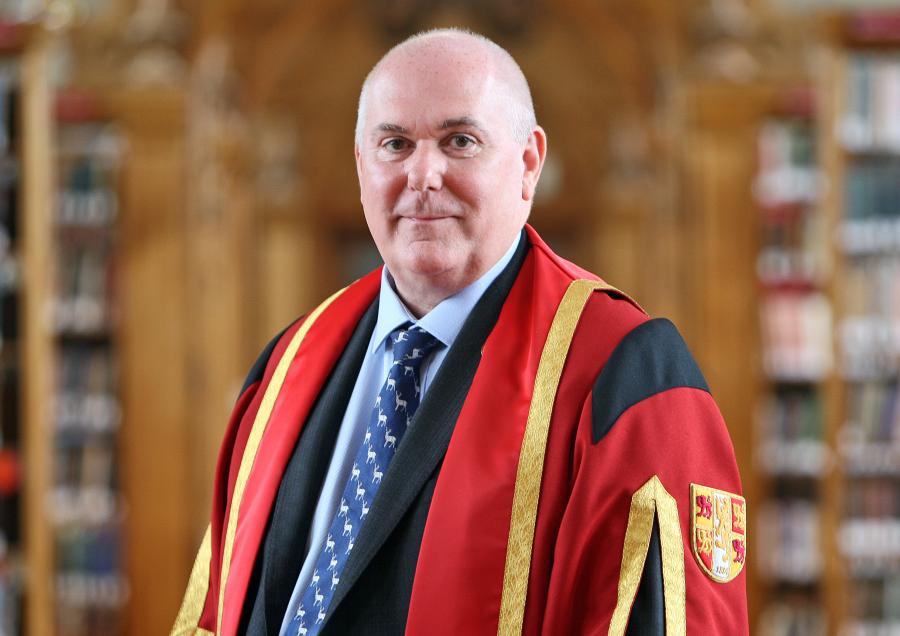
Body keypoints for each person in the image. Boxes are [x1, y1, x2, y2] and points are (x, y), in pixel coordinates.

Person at [172, 28, 747, 636]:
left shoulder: (623, 375)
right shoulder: (287, 366)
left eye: (460, 140)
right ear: (362, 166)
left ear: (528, 162)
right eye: (395, 143)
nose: (423, 174)